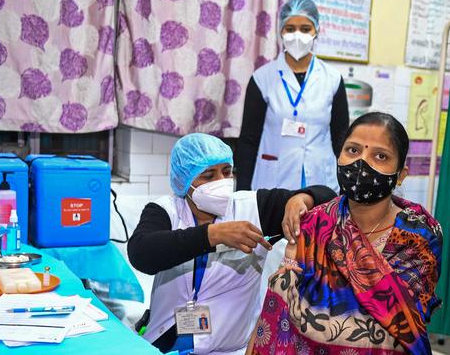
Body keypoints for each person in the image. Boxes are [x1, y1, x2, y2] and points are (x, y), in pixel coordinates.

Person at [246, 112, 443, 355]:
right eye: (353, 150)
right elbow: (279, 309)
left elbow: (402, 323)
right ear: (338, 157)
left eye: (380, 156)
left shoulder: (419, 236)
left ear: (401, 175)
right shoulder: (314, 224)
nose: (362, 163)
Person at [127, 133, 337, 354]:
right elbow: (142, 253)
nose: (221, 182)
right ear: (185, 181)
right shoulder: (166, 210)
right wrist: (212, 235)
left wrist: (301, 198)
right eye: (208, 176)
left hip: (228, 348)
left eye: (226, 172)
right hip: (165, 340)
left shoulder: (254, 207)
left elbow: (329, 199)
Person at [235, 0, 349, 193]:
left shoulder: (333, 79)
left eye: (305, 29)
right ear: (281, 31)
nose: (297, 35)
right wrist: (242, 191)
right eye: (290, 29)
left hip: (320, 179)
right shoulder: (262, 79)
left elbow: (341, 139)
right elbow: (248, 140)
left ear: (316, 31)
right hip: (273, 180)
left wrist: (346, 187)